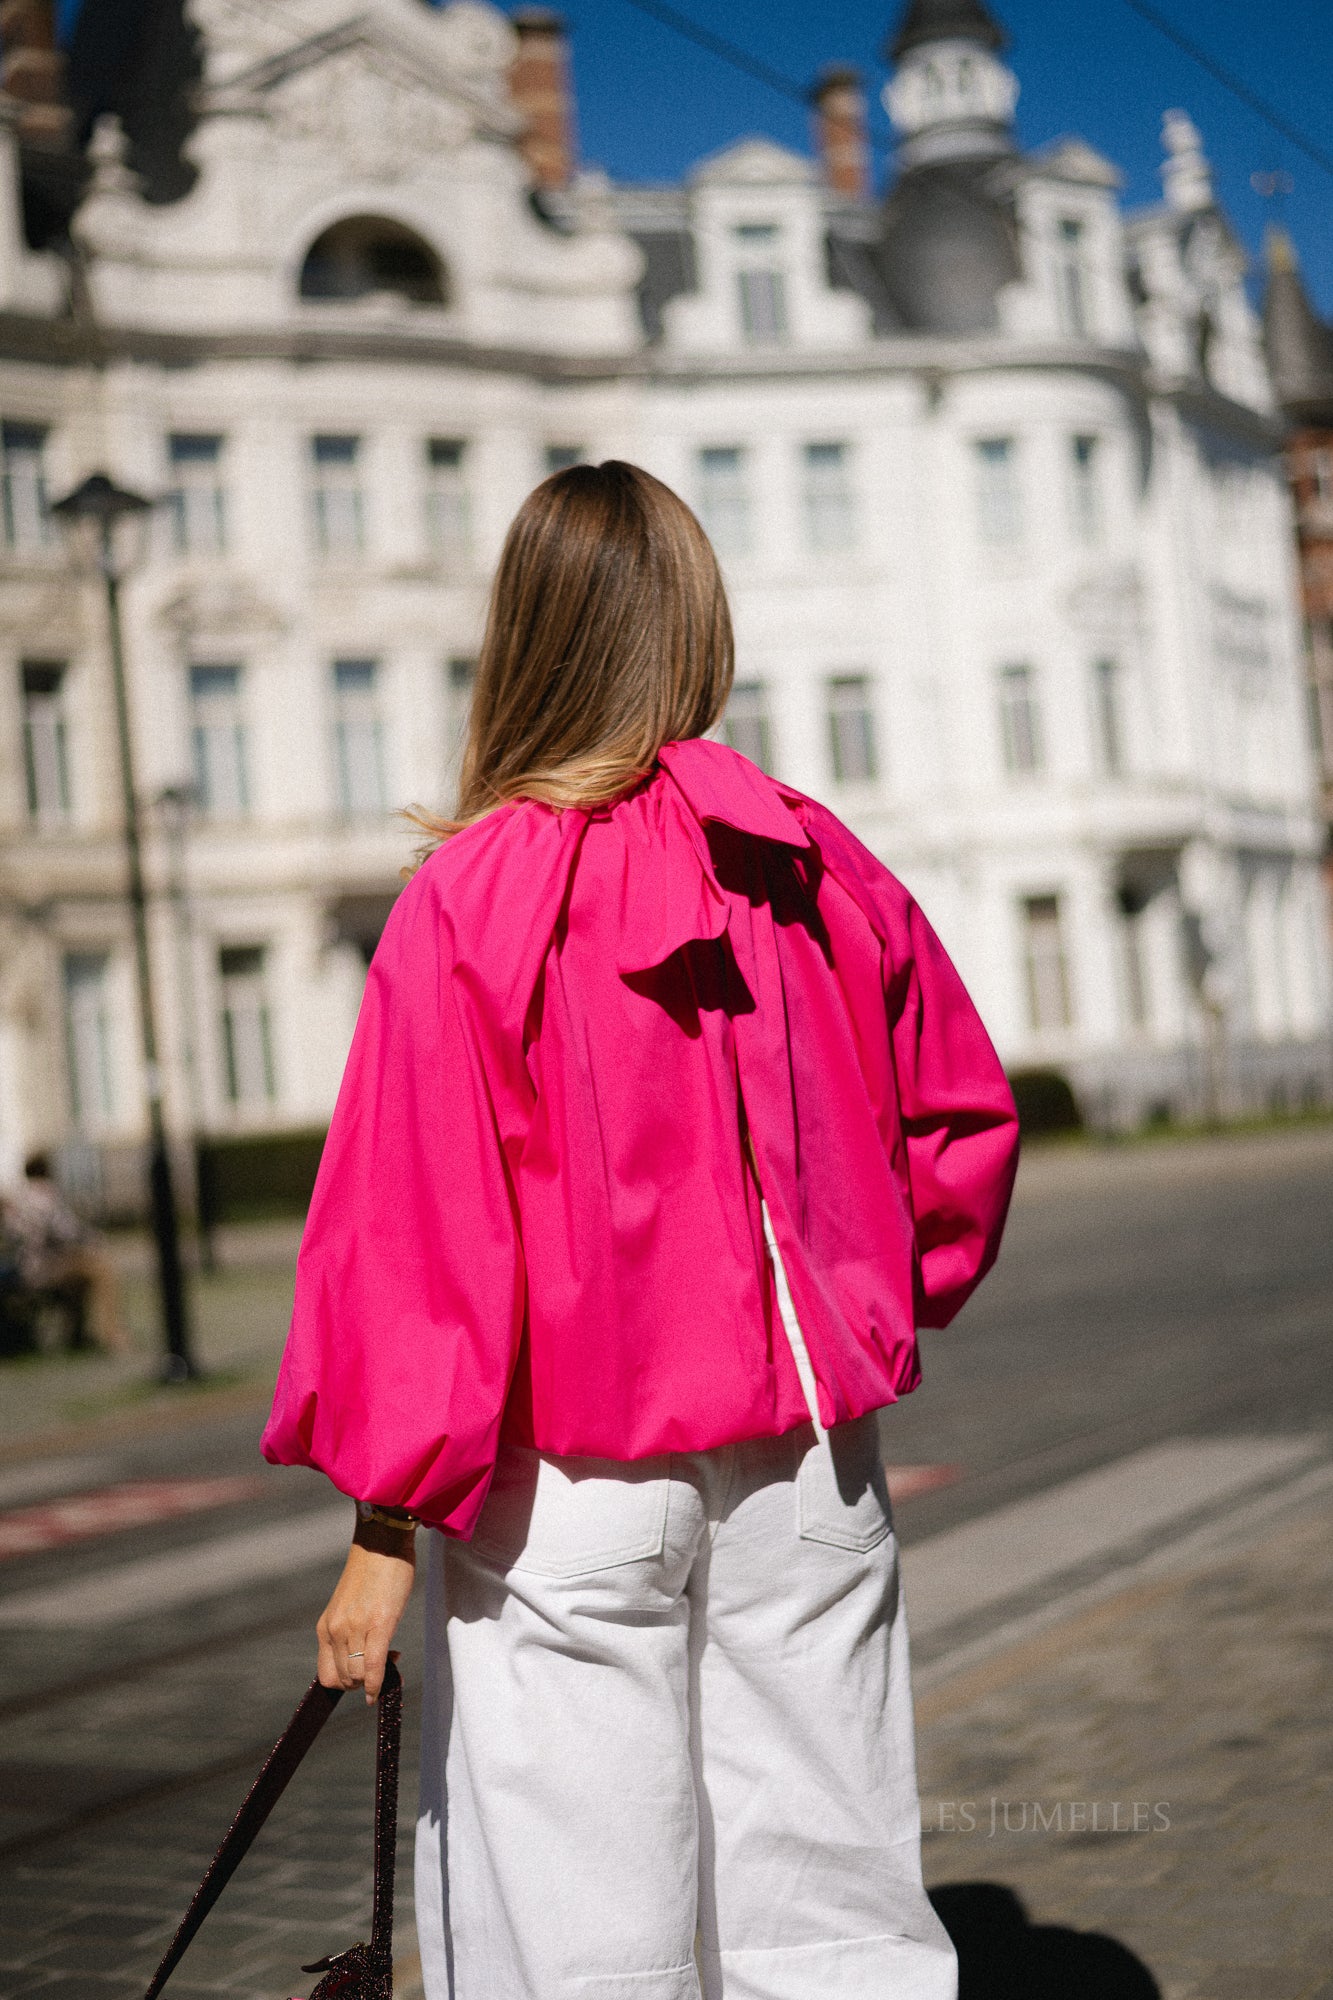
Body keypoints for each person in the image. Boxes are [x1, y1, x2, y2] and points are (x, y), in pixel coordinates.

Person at [263, 462, 1019, 2000]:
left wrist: (382, 1526)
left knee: (577, 1919)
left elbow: (417, 1234)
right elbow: (955, 1127)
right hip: (808, 1454)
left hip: (566, 1483)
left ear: (526, 638)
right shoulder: (818, 862)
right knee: (832, 1906)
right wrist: (874, 1298)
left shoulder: (469, 896)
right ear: (697, 626)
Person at [0, 1152, 129, 1353]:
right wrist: (95, 1240)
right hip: (43, 1271)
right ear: (48, 1171)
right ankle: (111, 1335)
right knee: (100, 1270)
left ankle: (78, 1335)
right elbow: (67, 1233)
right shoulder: (45, 1196)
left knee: (83, 1274)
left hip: (25, 1269)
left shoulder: (21, 1198)